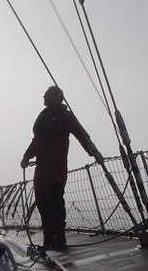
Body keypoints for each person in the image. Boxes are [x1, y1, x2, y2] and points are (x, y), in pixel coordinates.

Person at [21, 85, 99, 251]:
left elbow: (81, 134)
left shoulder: (65, 116)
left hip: (56, 168)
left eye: (46, 95)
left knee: (55, 202)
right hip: (41, 169)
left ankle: (60, 238)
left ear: (54, 97)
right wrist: (27, 156)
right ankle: (48, 239)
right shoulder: (43, 117)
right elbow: (36, 141)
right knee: (42, 203)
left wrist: (94, 153)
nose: (43, 97)